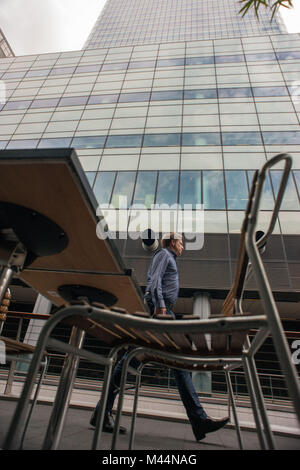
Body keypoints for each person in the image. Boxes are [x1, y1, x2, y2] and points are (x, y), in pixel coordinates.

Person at [90, 232, 229, 441]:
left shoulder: (169, 258)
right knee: (172, 362)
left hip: (160, 310)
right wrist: (161, 307)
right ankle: (199, 420)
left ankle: (102, 412)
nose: (183, 246)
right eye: (181, 242)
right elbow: (154, 281)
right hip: (160, 311)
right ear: (173, 242)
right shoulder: (164, 254)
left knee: (132, 361)